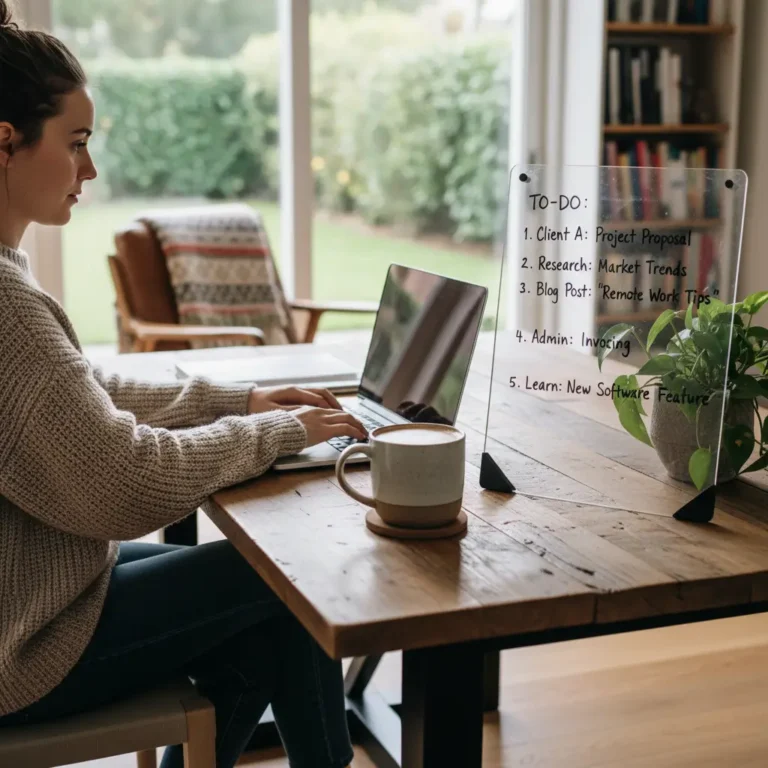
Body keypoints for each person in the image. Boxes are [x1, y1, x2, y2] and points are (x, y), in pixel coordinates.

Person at [0, 3, 363, 766]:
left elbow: (76, 401)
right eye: (76, 144)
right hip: (21, 649)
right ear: (5, 145)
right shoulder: (7, 311)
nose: (90, 171)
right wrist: (278, 433)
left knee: (266, 609)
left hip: (31, 594)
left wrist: (238, 401)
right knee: (291, 586)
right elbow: (120, 481)